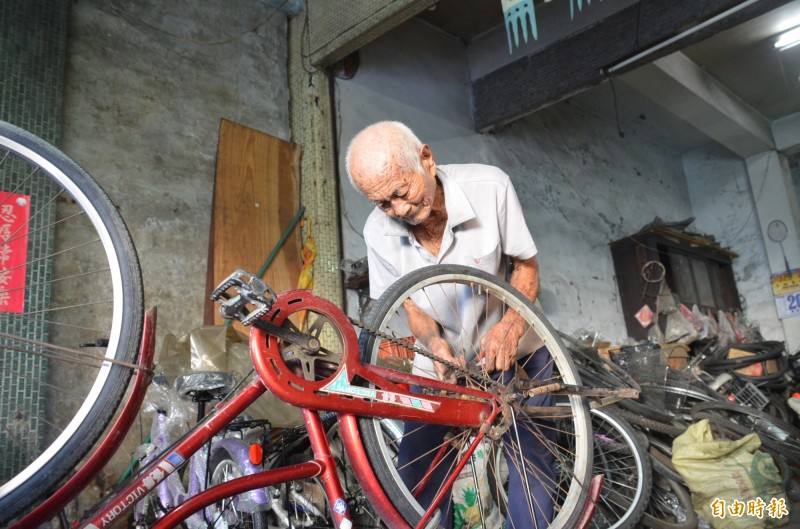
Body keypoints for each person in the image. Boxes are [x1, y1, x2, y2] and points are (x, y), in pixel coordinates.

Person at [346, 120, 555, 527]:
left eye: (402, 192)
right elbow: (409, 303)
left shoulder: (489, 186)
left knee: (530, 455)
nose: (400, 210)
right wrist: (433, 343)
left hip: (514, 342)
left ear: (426, 158)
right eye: (384, 203)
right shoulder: (378, 232)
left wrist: (510, 327)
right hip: (443, 358)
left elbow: (526, 266)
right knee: (415, 468)